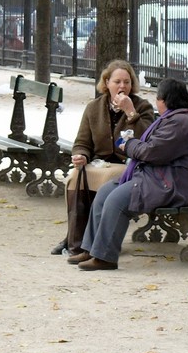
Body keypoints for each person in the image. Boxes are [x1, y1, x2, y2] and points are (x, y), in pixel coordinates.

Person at [67, 78, 188, 271]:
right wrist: (134, 145)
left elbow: (151, 152)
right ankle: (92, 249)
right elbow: (150, 148)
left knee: (117, 201)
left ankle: (106, 257)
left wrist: (129, 144)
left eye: (158, 98)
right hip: (157, 176)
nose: (157, 103)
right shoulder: (173, 119)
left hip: (171, 183)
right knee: (106, 191)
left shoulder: (180, 123)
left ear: (165, 100)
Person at [51, 60, 155, 256]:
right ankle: (73, 237)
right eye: (117, 81)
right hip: (99, 162)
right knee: (75, 176)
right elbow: (82, 141)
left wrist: (130, 112)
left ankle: (91, 241)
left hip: (129, 165)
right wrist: (80, 155)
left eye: (127, 82)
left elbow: (147, 140)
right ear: (106, 83)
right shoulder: (94, 107)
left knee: (107, 180)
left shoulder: (142, 106)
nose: (122, 86)